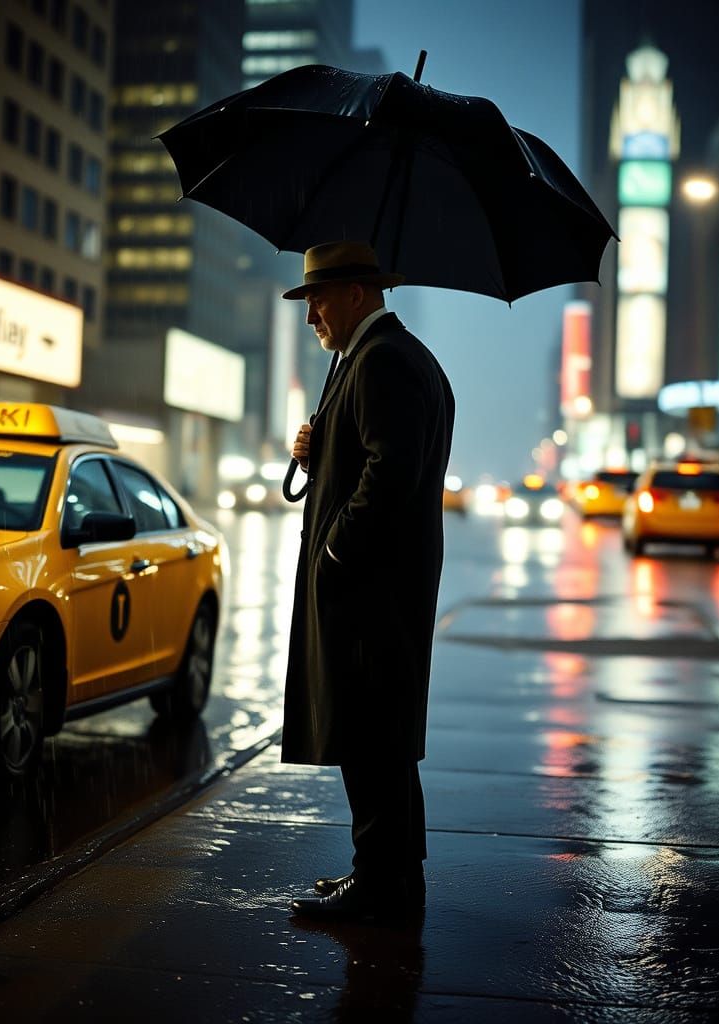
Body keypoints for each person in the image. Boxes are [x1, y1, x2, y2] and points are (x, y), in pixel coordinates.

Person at [281, 240, 455, 924]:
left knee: (372, 736)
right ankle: (389, 876)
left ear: (357, 293)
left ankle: (379, 885)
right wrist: (318, 446)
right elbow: (368, 453)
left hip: (371, 592)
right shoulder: (378, 360)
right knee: (377, 733)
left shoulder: (382, 361)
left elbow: (391, 473)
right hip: (378, 589)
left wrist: (336, 555)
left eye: (318, 300)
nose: (310, 316)